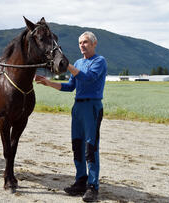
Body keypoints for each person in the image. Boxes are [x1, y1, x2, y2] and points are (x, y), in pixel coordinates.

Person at [35, 31, 107, 202]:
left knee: (91, 148)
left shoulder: (99, 61)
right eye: (80, 42)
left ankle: (93, 186)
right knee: (77, 146)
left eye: (86, 42)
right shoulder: (78, 62)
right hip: (78, 107)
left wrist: (66, 66)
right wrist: (48, 83)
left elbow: (88, 79)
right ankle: (80, 181)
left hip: (92, 107)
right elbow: (70, 87)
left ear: (94, 44)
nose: (82, 45)